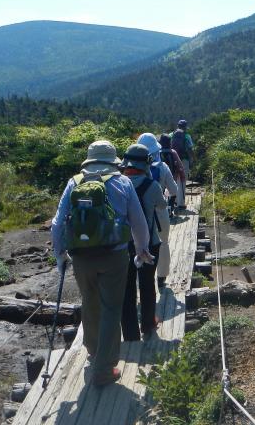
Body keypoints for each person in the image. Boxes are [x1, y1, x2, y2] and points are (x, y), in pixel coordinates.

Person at [51, 140, 152, 387]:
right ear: (113, 161)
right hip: (114, 256)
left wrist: (60, 255)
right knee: (110, 309)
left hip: (81, 257)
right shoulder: (123, 182)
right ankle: (104, 370)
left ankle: (94, 353)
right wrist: (142, 250)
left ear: (89, 160)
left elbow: (57, 223)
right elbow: (138, 223)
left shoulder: (74, 182)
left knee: (90, 302)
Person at [119, 143, 171, 340]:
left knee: (127, 287)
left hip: (123, 245)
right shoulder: (152, 186)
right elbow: (162, 204)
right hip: (150, 244)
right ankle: (148, 324)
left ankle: (130, 332)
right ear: (146, 164)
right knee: (147, 284)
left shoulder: (117, 184)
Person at [137, 133, 178, 288]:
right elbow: (174, 190)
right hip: (160, 212)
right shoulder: (162, 167)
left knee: (139, 244)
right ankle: (161, 278)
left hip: (138, 213)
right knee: (163, 243)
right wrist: (164, 194)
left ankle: (141, 278)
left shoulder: (129, 169)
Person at [158, 133, 186, 217]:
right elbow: (180, 165)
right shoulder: (173, 152)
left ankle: (162, 210)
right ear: (170, 142)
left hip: (160, 176)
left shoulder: (158, 152)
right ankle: (170, 210)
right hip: (173, 175)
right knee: (172, 193)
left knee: (162, 192)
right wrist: (182, 175)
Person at [170, 119, 195, 209]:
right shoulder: (187, 136)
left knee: (174, 180)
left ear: (178, 126)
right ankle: (181, 203)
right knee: (182, 181)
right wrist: (192, 160)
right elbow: (190, 149)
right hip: (184, 160)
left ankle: (174, 201)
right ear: (185, 127)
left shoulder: (171, 135)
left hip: (173, 160)